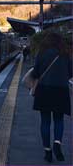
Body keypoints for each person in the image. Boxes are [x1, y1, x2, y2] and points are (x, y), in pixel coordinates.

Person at [32, 32, 72, 163]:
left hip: (44, 90)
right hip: (61, 90)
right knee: (59, 119)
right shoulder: (65, 54)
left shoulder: (41, 53)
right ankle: (57, 143)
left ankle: (47, 151)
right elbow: (71, 72)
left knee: (45, 121)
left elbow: (36, 72)